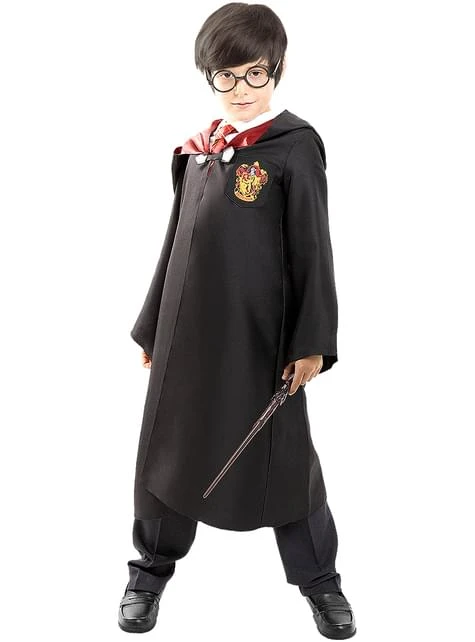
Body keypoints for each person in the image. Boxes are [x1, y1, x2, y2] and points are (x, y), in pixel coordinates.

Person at [118, 3, 356, 638]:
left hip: (259, 339)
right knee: (167, 455)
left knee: (285, 463)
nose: (241, 88)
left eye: (255, 73)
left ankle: (321, 581)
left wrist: (311, 341)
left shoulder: (293, 147)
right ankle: (149, 571)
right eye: (225, 75)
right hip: (185, 337)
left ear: (278, 68)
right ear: (208, 76)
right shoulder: (198, 152)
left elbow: (313, 247)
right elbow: (175, 241)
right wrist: (153, 323)